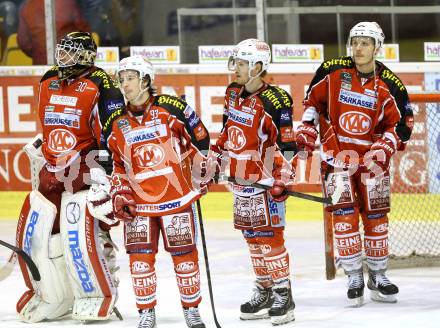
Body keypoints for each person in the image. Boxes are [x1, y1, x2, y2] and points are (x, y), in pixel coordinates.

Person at [296, 22, 414, 306]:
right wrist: (308, 128)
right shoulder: (332, 71)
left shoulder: (390, 83)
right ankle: (353, 276)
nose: (359, 48)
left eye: (365, 43)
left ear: (377, 47)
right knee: (344, 218)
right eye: (355, 42)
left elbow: (402, 123)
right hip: (336, 161)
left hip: (373, 165)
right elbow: (313, 103)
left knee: (376, 219)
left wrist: (386, 145)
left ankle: (377, 275)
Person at [15, 31, 125, 323]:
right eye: (62, 50)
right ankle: (53, 294)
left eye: (71, 51)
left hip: (84, 167)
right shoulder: (49, 78)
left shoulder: (103, 83)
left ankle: (99, 292)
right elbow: (48, 122)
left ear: (88, 55)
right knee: (41, 234)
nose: (62, 57)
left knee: (84, 233)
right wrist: (43, 147)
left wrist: (108, 171)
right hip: (51, 168)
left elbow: (112, 132)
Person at [109, 55, 211, 328]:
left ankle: (192, 310)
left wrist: (203, 168)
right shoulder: (117, 121)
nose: (124, 84)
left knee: (185, 258)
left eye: (130, 78)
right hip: (139, 204)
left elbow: (200, 138)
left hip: (176, 199)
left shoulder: (171, 108)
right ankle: (146, 313)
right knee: (140, 261)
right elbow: (114, 163)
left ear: (145, 80)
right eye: (121, 79)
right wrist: (119, 192)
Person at [211, 38, 296, 326]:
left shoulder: (276, 100)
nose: (235, 68)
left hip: (265, 183)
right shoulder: (232, 92)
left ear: (258, 67)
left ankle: (284, 294)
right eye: (235, 62)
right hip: (240, 181)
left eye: (242, 63)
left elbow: (287, 146)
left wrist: (283, 178)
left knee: (270, 239)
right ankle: (265, 289)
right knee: (252, 238)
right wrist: (214, 159)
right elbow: (227, 131)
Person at [17, 0, 90, 64]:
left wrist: (40, 54)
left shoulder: (27, 7)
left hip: (41, 68)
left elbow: (24, 43)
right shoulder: (68, 2)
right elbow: (84, 31)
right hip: (70, 64)